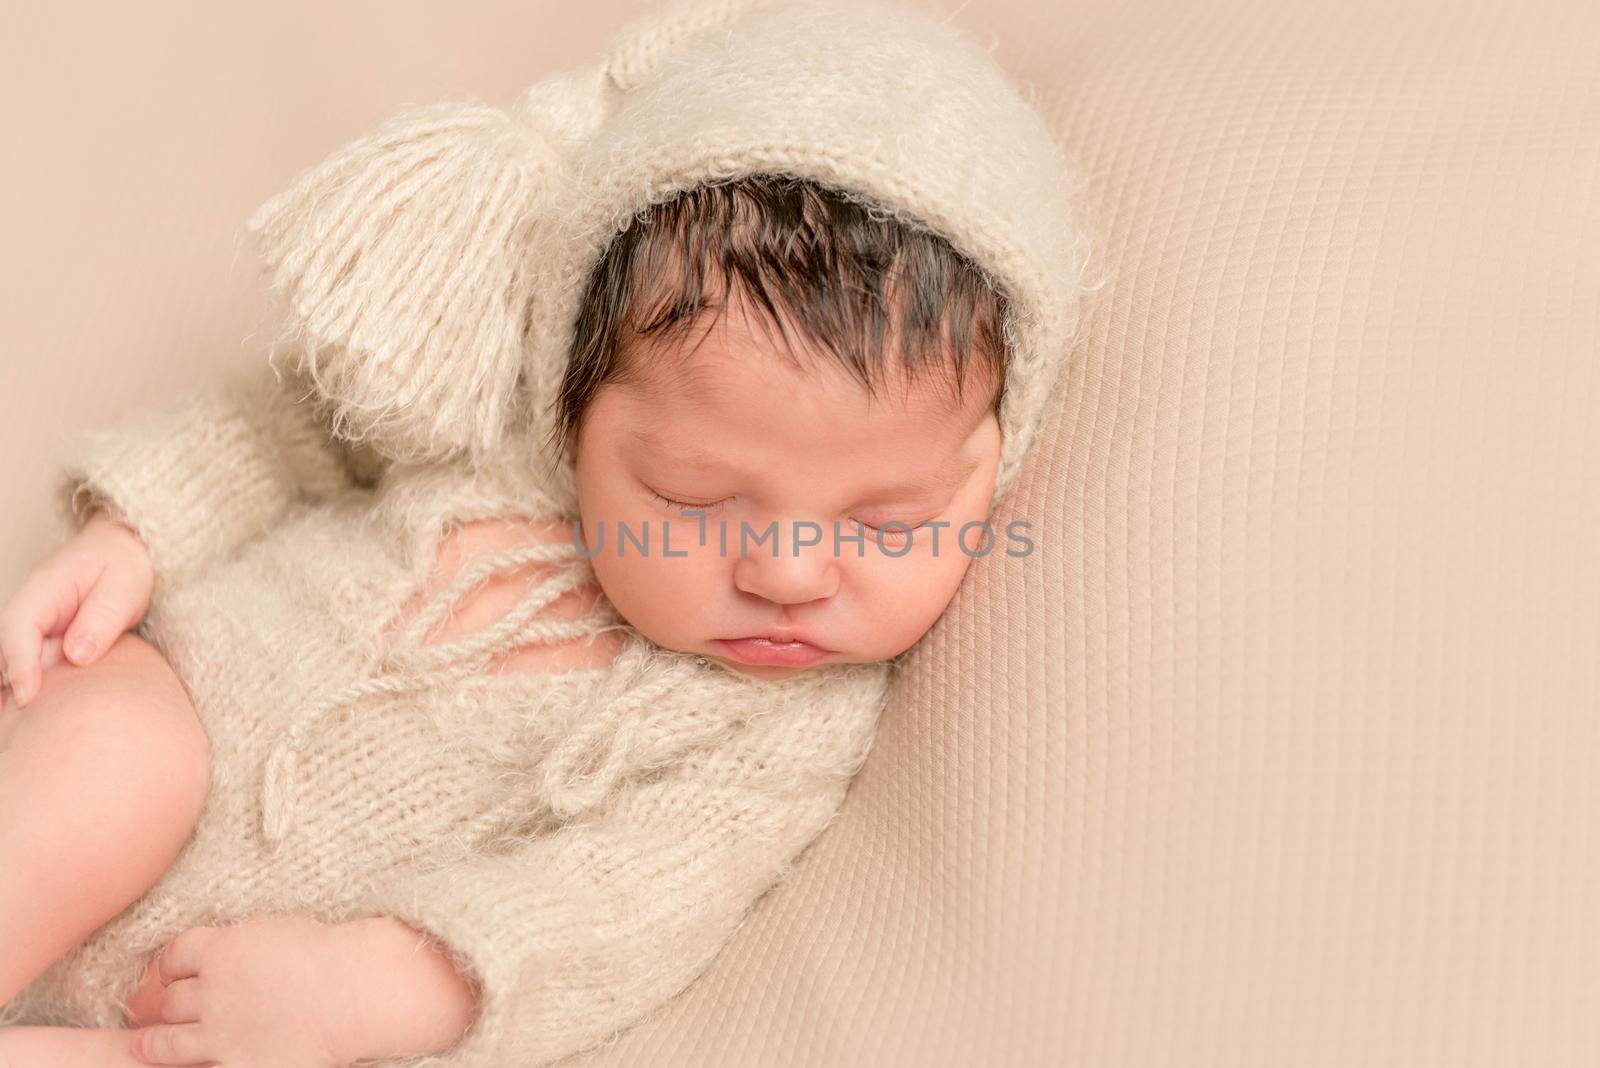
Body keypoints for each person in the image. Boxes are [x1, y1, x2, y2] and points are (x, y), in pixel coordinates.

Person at [0, 0, 1097, 1064]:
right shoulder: (495, 416)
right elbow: (287, 423)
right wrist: (134, 535)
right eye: (694, 498)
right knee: (118, 755)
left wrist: (373, 988)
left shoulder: (781, 734)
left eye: (889, 521)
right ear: (573, 399)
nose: (789, 572)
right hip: (186, 716)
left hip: (265, 987)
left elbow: (617, 903)